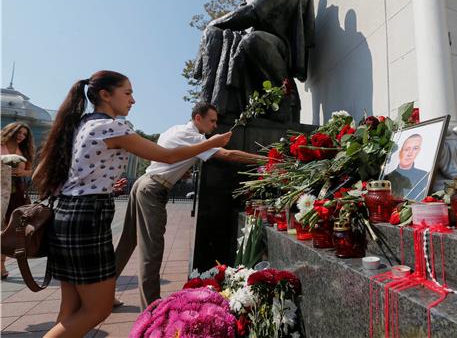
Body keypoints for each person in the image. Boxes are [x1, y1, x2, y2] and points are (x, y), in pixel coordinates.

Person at [32, 70, 232, 337]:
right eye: (127, 93)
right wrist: (212, 143)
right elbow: (166, 156)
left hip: (66, 215)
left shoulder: (81, 124)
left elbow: (45, 174)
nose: (133, 100)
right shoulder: (112, 127)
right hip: (87, 219)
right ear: (105, 95)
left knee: (71, 309)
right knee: (96, 311)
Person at [114, 102, 264, 310]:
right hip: (152, 189)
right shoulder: (195, 137)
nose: (214, 126)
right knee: (152, 251)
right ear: (198, 119)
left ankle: (105, 291)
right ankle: (151, 311)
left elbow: (170, 155)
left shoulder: (174, 129)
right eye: (212, 121)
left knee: (127, 242)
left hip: (144, 182)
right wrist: (266, 159)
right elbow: (229, 155)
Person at [194, 0, 314, 121]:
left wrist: (214, 23)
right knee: (236, 40)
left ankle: (284, 102)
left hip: (280, 49)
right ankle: (237, 107)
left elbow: (255, 11)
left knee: (252, 41)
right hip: (273, 45)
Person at [0, 122, 35, 279]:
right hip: (1, 191)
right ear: (10, 131)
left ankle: (2, 265)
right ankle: (1, 266)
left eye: (24, 134)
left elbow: (31, 171)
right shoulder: (1, 145)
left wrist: (22, 172)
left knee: (10, 230)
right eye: (18, 133)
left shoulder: (24, 150)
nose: (21, 136)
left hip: (17, 193)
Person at [387, 134, 429, 201]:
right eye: (406, 149)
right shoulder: (387, 178)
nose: (410, 153)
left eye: (415, 148)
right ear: (400, 152)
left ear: (418, 151)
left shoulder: (425, 176)